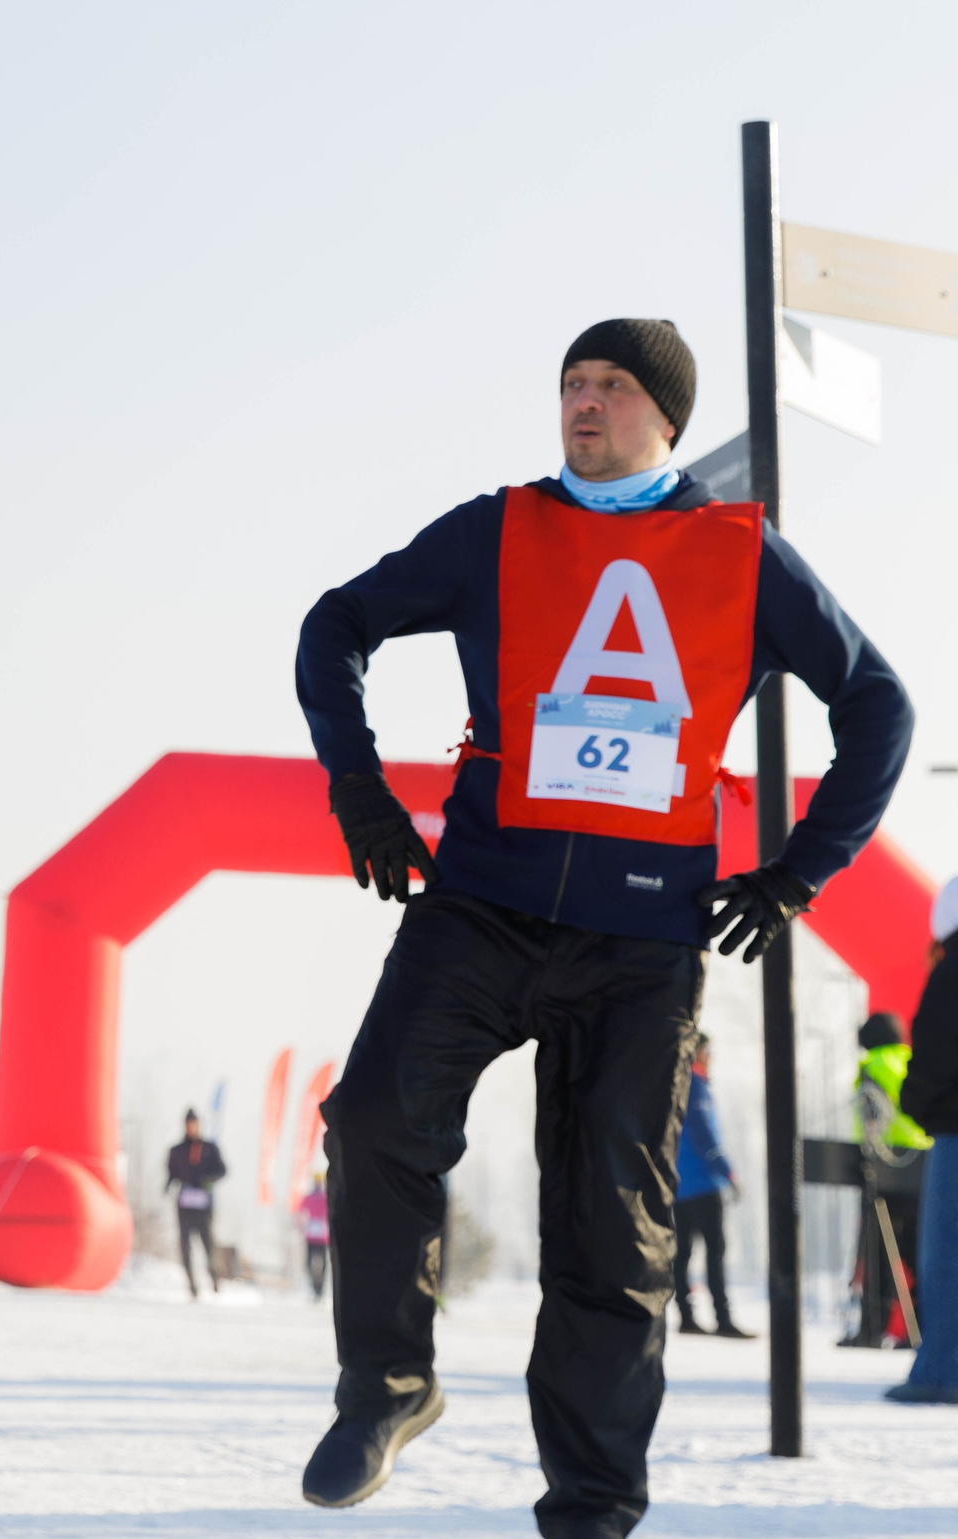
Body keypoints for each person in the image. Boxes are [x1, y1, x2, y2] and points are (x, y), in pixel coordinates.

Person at [294, 319, 911, 1535]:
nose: (582, 402)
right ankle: (387, 1383)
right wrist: (357, 788)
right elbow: (334, 624)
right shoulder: (498, 527)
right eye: (570, 382)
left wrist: (796, 875)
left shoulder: (743, 557)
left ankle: (591, 1508)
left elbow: (878, 706)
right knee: (372, 1119)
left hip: (642, 943)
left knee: (608, 1235)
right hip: (479, 903)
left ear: (664, 417)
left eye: (611, 385)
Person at [888, 876, 958, 1402]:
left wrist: (917, 1105)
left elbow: (934, 1054)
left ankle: (941, 1371)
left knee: (946, 1256)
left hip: (955, 1132)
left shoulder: (951, 972)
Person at [852, 1008, 931, 1348]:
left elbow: (873, 1115)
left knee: (879, 1250)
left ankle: (872, 1328)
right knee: (919, 1252)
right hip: (923, 1165)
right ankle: (924, 1330)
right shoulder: (913, 1062)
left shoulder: (872, 1066)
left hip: (885, 1167)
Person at [671, 1035, 746, 1338]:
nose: (711, 1057)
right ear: (698, 1053)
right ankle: (722, 1318)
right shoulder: (697, 1088)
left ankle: (686, 1316)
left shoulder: (674, 1086)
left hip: (678, 1185)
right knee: (715, 1251)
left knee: (683, 1252)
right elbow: (706, 1138)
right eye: (708, 1051)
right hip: (703, 1184)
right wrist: (728, 1173)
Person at [165, 1110, 228, 1299]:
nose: (191, 1127)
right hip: (184, 1203)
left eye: (194, 1123)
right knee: (185, 1245)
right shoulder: (176, 1150)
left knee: (208, 1243)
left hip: (203, 1204)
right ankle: (192, 1286)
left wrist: (208, 1180)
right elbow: (171, 1172)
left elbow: (222, 1170)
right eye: (188, 1123)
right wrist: (169, 1184)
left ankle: (215, 1277)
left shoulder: (209, 1148)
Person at [298, 1172, 331, 1301]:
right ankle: (317, 1288)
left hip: (317, 1234)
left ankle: (318, 1288)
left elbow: (300, 1214)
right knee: (318, 1263)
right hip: (319, 1234)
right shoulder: (323, 1198)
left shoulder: (314, 1197)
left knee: (314, 1262)